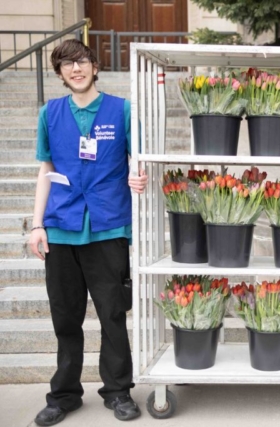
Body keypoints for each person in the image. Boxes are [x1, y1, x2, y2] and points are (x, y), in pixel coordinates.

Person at [27, 39, 148, 426]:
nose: (75, 69)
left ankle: (118, 391)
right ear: (60, 74)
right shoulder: (51, 112)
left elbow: (139, 160)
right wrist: (36, 224)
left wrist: (139, 175)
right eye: (66, 64)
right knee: (65, 318)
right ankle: (64, 395)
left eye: (81, 61)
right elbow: (45, 169)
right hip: (61, 228)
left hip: (108, 226)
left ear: (95, 66)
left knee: (112, 314)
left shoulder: (122, 110)